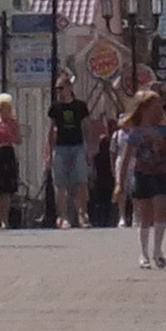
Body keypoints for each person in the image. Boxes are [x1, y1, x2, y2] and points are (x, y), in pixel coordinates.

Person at [122, 87, 166, 269]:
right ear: (144, 109)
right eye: (154, 107)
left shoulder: (164, 131)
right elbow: (126, 158)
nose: (158, 110)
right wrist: (119, 183)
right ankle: (144, 254)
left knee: (160, 212)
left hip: (161, 174)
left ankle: (158, 251)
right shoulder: (135, 132)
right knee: (145, 216)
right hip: (142, 175)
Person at [45, 76, 93, 228]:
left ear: (69, 87)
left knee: (81, 181)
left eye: (61, 88)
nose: (59, 91)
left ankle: (82, 214)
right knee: (60, 184)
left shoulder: (80, 106)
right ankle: (63, 216)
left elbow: (86, 126)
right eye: (57, 89)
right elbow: (51, 130)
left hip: (78, 145)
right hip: (60, 147)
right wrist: (48, 152)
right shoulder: (55, 107)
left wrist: (90, 148)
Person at [0, 92, 23, 230]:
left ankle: (5, 219)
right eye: (0, 106)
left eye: (4, 106)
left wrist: (10, 136)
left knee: (6, 189)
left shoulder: (13, 122)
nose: (2, 109)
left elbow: (19, 140)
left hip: (8, 152)